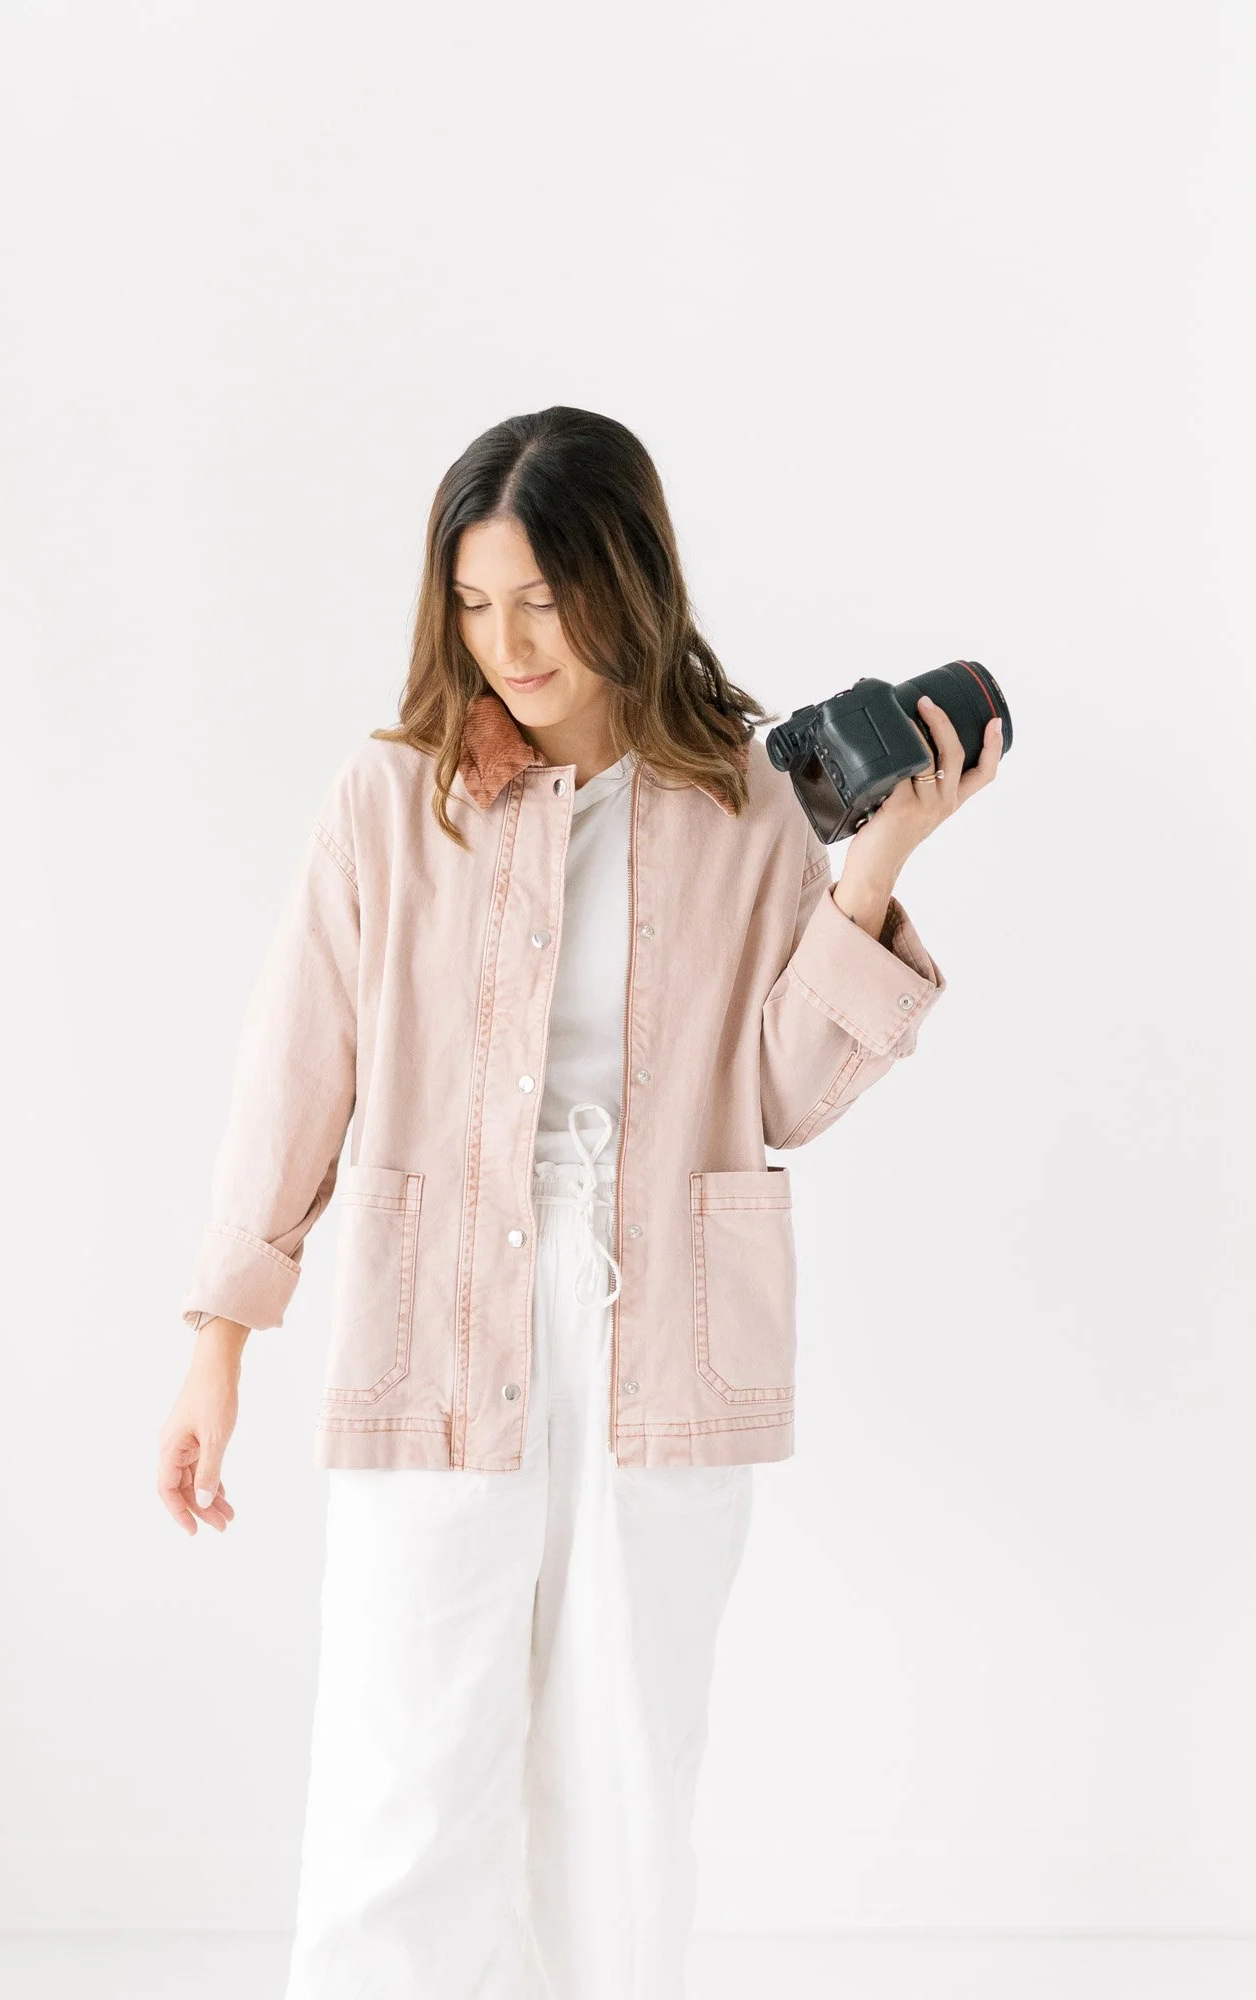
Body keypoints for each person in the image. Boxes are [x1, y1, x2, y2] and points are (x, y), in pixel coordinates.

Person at [157, 405, 1003, 1999]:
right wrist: (221, 1335)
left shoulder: (745, 799)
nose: (509, 643)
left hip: (658, 1330)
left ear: (628, 580)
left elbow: (781, 1102)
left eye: (542, 602)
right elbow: (297, 1072)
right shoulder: (394, 798)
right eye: (476, 605)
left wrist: (871, 874)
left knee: (617, 1803)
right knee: (402, 1792)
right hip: (435, 1315)